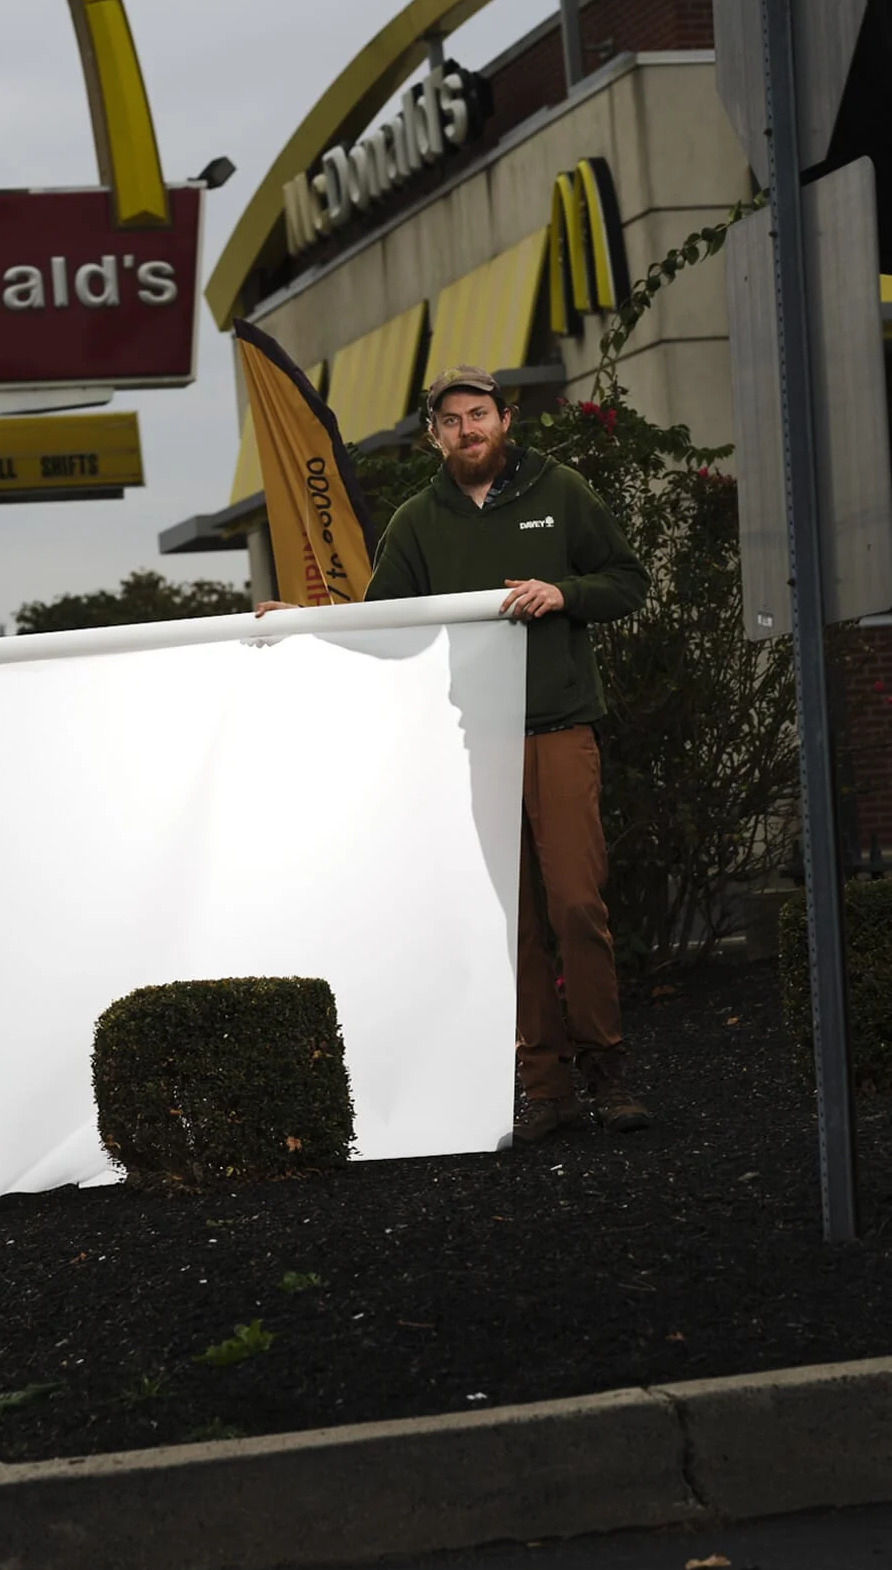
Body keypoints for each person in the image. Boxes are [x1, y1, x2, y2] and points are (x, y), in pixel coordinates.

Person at [256, 364, 651, 1143]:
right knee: (516, 918)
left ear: (504, 420)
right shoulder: (417, 520)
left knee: (576, 902)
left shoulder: (560, 490)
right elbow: (387, 629)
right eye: (451, 421)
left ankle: (607, 1072)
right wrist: (304, 621)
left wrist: (564, 593)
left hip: (559, 727)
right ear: (433, 435)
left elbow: (628, 581)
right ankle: (547, 1090)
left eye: (479, 416)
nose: (467, 430)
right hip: (479, 741)